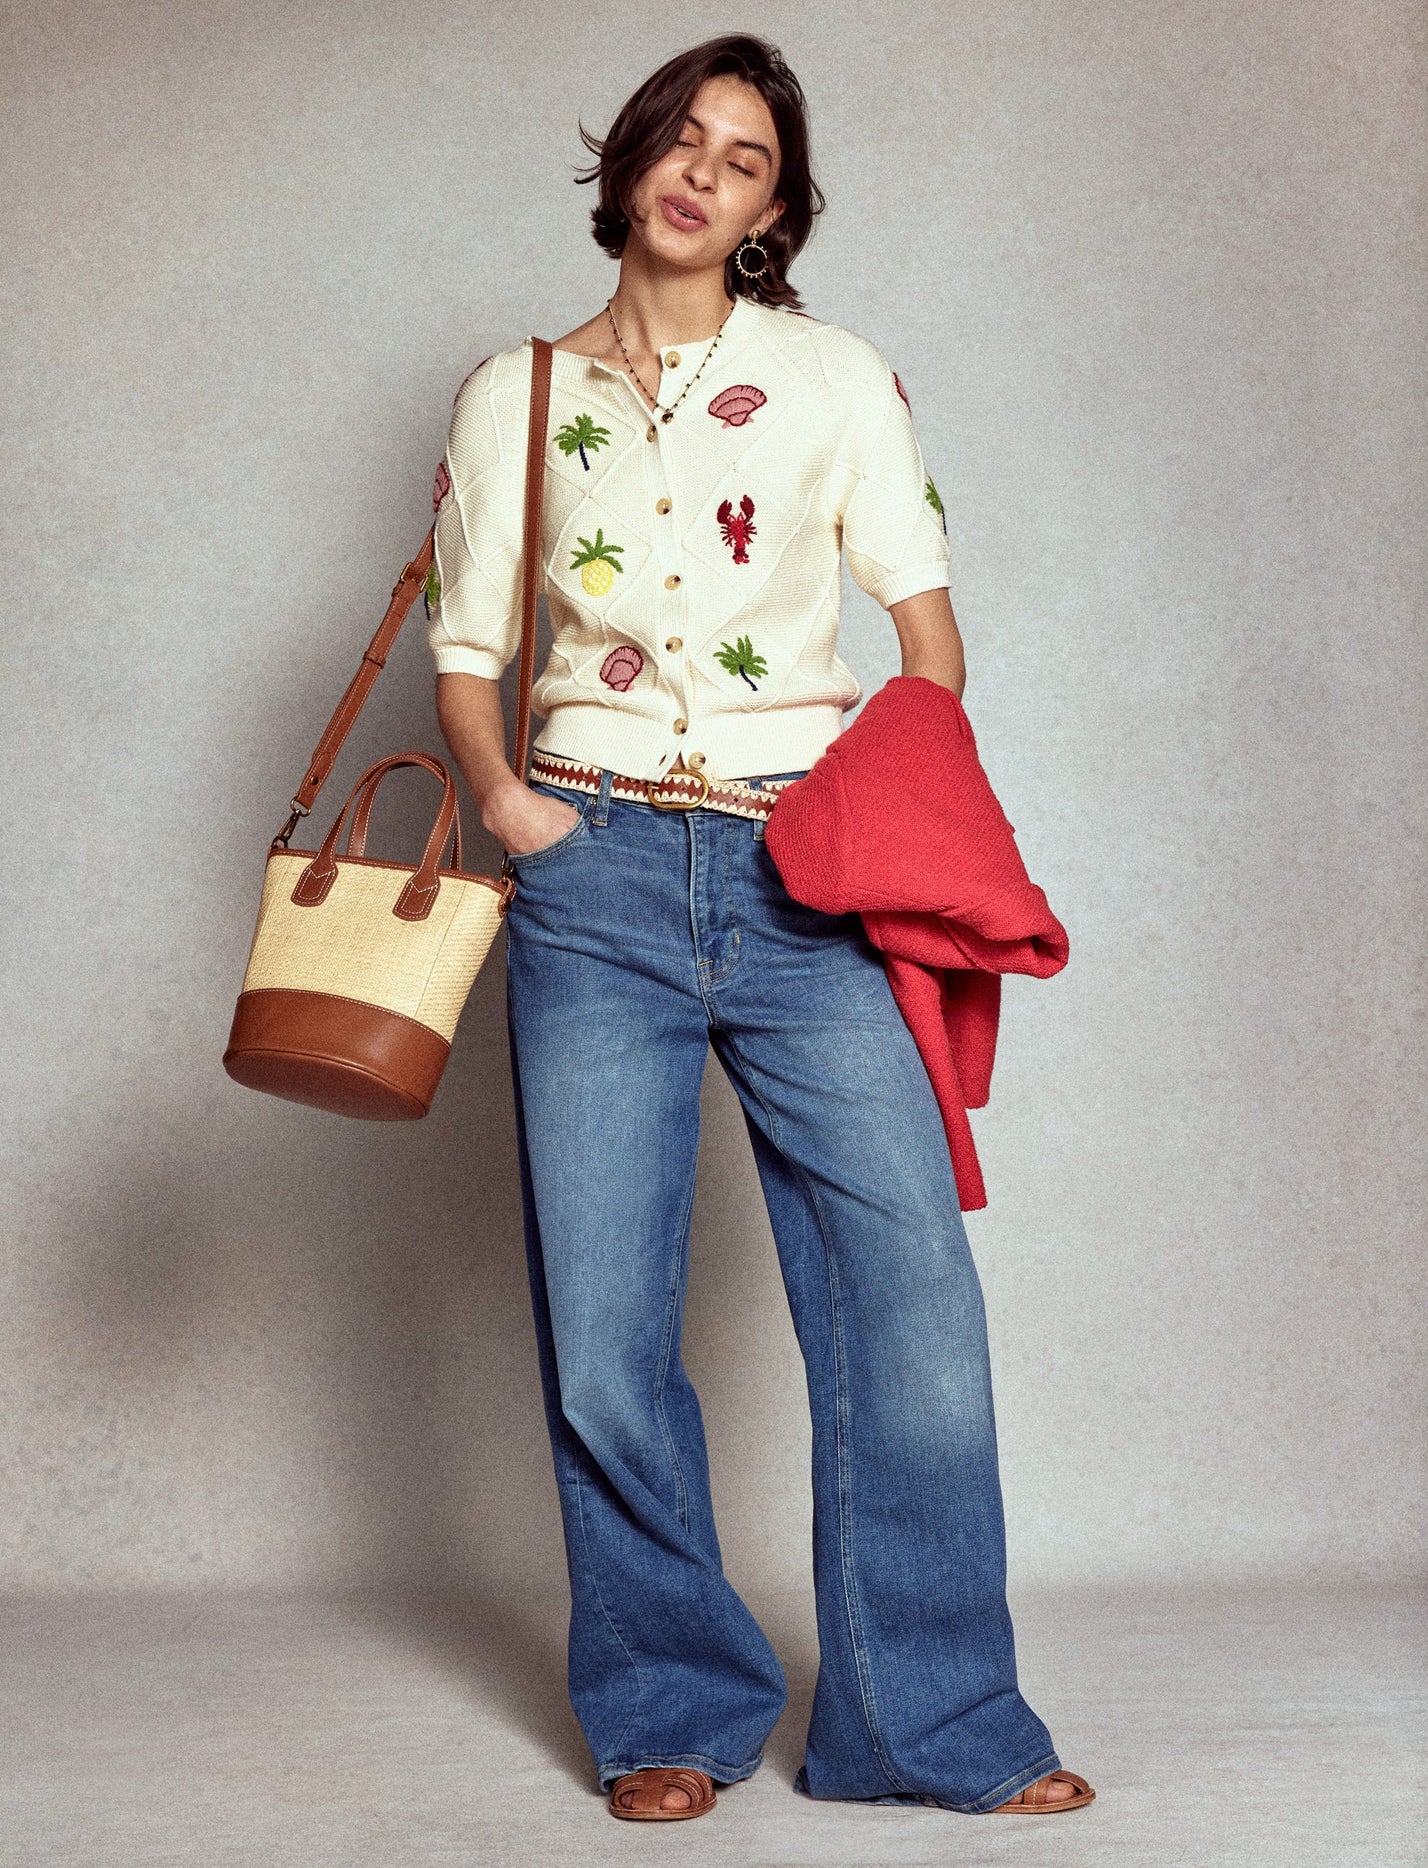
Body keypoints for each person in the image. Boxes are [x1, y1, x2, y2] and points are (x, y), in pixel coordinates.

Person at [431, 32, 1094, 1825]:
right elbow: (468, 650)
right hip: (593, 881)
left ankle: (930, 1725)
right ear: (631, 161)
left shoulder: (834, 378)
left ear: (772, 209)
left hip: (804, 883)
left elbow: (926, 641)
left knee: (909, 1309)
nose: (701, 174)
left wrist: (862, 809)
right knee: (605, 1332)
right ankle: (668, 1708)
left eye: (743, 160)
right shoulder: (515, 391)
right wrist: (507, 806)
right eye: (682, 140)